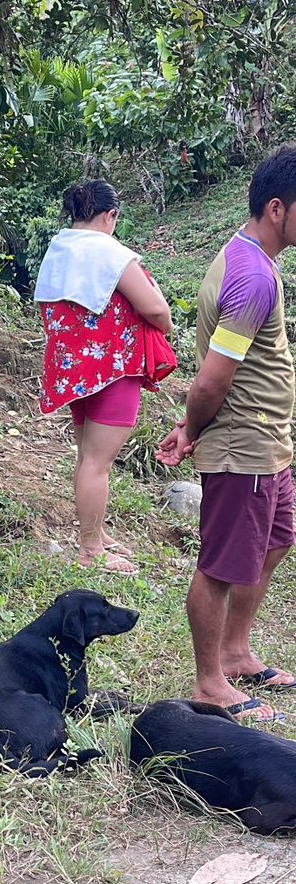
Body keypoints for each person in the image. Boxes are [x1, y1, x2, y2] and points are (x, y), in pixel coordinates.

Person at [157, 146, 296, 720]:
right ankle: (209, 683)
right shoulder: (252, 278)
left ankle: (236, 652)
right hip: (244, 445)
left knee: (278, 538)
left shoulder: (252, 257)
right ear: (276, 208)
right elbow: (212, 380)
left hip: (269, 444)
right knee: (220, 565)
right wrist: (192, 428)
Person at [35, 179, 175, 574]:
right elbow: (155, 309)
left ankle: (94, 532)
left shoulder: (58, 249)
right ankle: (91, 550)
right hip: (113, 369)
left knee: (87, 457)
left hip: (75, 370)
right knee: (98, 462)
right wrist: (165, 323)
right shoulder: (109, 251)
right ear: (110, 215)